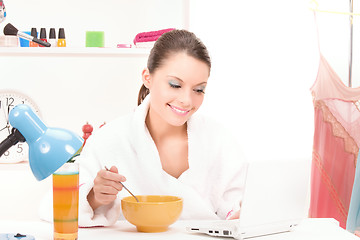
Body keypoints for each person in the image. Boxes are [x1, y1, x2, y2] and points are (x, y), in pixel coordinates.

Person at [78, 29, 247, 227]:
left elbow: (237, 203)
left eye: (198, 90)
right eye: (175, 85)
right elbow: (62, 208)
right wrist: (94, 196)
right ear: (147, 77)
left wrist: (239, 215)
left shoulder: (218, 139)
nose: (186, 100)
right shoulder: (109, 139)